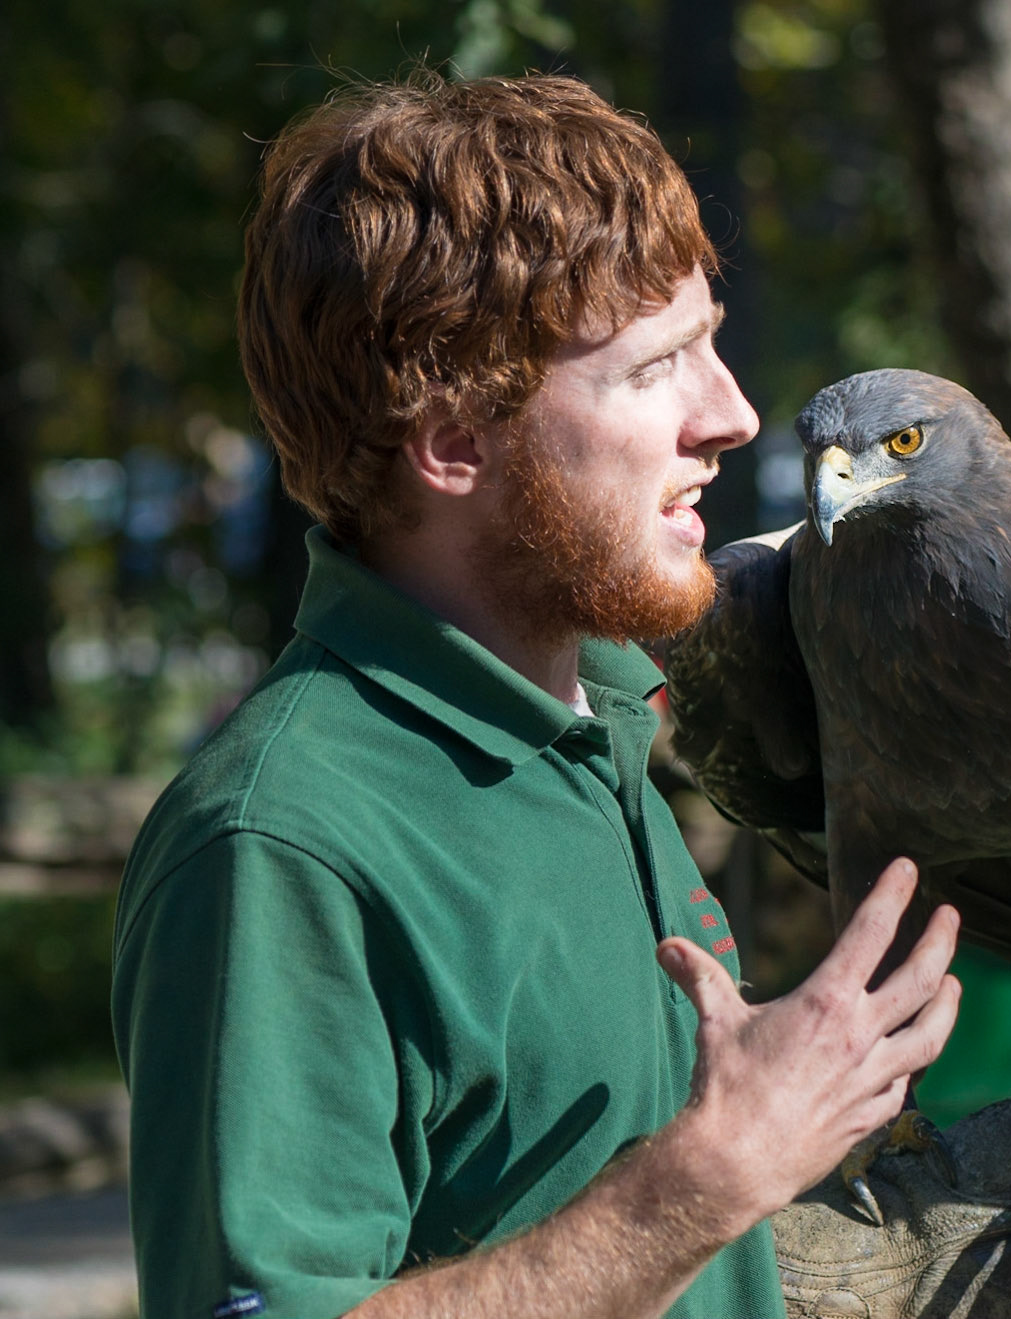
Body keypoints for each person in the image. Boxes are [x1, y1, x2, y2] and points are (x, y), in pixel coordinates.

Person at [111, 72, 961, 1319]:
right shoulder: (281, 844)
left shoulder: (599, 721)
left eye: (712, 338)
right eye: (656, 365)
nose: (729, 414)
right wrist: (716, 1169)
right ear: (452, 439)